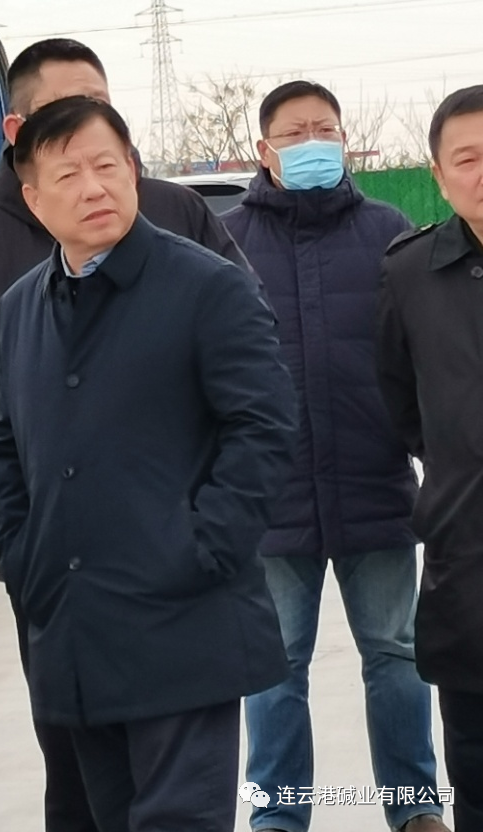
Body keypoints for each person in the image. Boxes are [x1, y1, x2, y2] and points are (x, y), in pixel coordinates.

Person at [0, 37, 250, 832]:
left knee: (179, 795)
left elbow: (253, 388)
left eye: (100, 108)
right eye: (66, 112)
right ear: (16, 134)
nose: (92, 177)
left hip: (174, 565)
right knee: (83, 780)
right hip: (59, 570)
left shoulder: (177, 216)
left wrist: (208, 533)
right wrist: (25, 520)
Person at [0, 94, 297, 832]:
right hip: (75, 625)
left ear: (133, 169)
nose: (93, 187)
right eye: (68, 175)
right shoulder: (21, 307)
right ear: (33, 199)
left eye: (107, 165)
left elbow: (264, 427)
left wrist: (202, 545)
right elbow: (8, 444)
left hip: (182, 618)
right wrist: (23, 555)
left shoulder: (207, 285)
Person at [222, 80, 446, 832]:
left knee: (396, 655)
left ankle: (415, 807)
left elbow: (422, 354)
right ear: (263, 150)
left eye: (325, 130)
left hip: (374, 481)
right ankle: (278, 816)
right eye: (294, 133)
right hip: (272, 495)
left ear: (346, 142)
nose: (311, 143)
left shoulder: (389, 230)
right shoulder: (226, 241)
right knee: (275, 665)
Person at [377, 84, 483, 832]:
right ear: (440, 177)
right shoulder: (410, 273)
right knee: (475, 768)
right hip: (467, 560)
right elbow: (400, 401)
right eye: (467, 159)